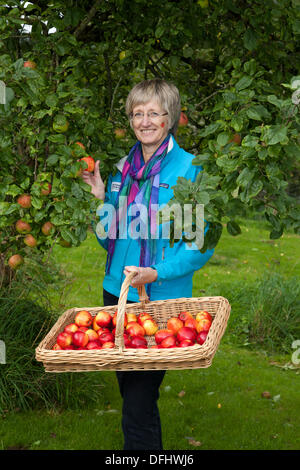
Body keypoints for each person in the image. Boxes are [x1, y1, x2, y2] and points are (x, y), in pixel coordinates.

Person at [82, 79, 214, 450]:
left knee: (137, 405)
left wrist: (158, 272)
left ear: (170, 117)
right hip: (117, 294)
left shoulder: (191, 170)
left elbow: (202, 243)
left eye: (154, 112)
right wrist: (99, 199)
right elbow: (109, 239)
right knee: (133, 396)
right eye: (137, 113)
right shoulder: (122, 170)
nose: (145, 121)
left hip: (159, 300)